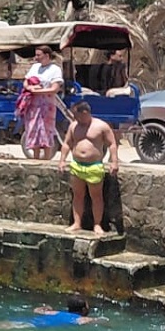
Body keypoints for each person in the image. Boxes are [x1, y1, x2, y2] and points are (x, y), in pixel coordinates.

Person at [58, 101, 120, 236]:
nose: (75, 118)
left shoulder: (101, 126)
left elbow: (112, 144)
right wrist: (62, 160)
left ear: (85, 113)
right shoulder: (73, 126)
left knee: (96, 197)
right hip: (77, 165)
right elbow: (67, 143)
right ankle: (77, 223)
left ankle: (97, 224)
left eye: (77, 115)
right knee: (77, 195)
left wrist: (114, 162)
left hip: (94, 166)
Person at [18, 45, 65, 160]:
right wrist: (30, 88)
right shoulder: (35, 67)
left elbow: (54, 89)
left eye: (38, 55)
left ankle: (47, 159)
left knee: (46, 131)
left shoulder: (55, 69)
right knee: (33, 130)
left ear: (47, 56)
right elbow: (26, 82)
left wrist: (38, 91)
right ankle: (35, 158)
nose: (36, 57)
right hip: (33, 105)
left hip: (46, 106)